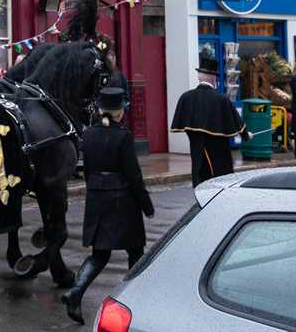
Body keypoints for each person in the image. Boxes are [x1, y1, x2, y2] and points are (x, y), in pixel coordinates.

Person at [61, 87, 154, 324]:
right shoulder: (123, 136)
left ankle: (75, 292)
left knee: (99, 254)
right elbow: (134, 175)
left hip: (97, 197)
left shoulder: (88, 134)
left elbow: (88, 170)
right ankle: (136, 297)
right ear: (120, 112)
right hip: (122, 199)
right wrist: (145, 204)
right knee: (135, 251)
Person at [170, 50, 248, 186]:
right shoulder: (221, 99)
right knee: (217, 182)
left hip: (196, 153)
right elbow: (236, 123)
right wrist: (246, 135)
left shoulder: (186, 97)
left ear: (199, 78)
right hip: (218, 157)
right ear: (213, 78)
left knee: (199, 178)